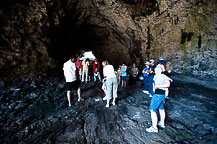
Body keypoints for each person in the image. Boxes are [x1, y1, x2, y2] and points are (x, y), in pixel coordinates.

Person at [146, 67, 171, 133]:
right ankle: (162, 123)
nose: (156, 70)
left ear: (162, 70)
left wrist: (157, 86)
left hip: (158, 95)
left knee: (152, 110)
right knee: (161, 108)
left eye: (158, 69)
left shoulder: (164, 76)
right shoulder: (156, 76)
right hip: (161, 95)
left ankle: (154, 127)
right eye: (156, 69)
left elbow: (168, 84)